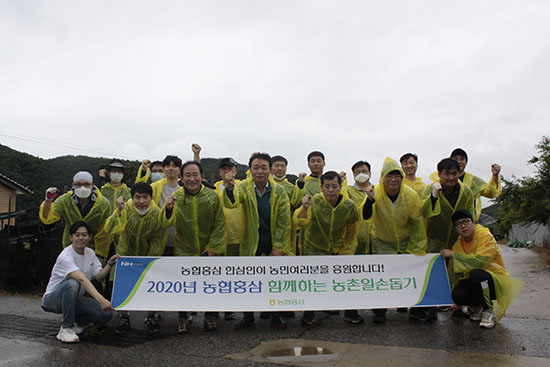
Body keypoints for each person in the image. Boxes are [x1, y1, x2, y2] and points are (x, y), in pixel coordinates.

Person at [223, 152, 292, 330]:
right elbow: (232, 203)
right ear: (250, 170)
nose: (260, 171)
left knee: (275, 280)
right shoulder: (244, 187)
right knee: (249, 279)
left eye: (264, 168)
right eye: (256, 168)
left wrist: (278, 247)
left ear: (270, 170)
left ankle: (276, 316)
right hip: (251, 239)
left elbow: (284, 221)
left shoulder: (279, 190)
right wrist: (229, 188)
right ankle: (248, 316)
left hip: (271, 239)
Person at [161, 161, 226, 334]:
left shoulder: (213, 196)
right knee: (184, 286)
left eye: (195, 174)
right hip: (184, 248)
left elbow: (220, 223)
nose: (192, 179)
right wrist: (167, 209)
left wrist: (213, 247)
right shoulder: (177, 197)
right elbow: (165, 222)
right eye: (187, 175)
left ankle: (210, 316)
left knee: (211, 285)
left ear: (202, 176)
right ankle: (183, 317)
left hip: (208, 249)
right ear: (181, 178)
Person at [361, 157, 427, 323]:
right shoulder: (375, 192)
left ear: (401, 178)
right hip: (382, 241)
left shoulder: (410, 196)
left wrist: (417, 248)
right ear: (383, 178)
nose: (393, 179)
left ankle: (416, 309)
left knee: (411, 275)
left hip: (406, 240)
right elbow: (365, 215)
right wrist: (369, 200)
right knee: (381, 277)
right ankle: (379, 312)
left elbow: (417, 223)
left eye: (396, 176)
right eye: (389, 176)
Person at [294, 171, 360, 325]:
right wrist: (304, 208)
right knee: (312, 282)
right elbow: (300, 223)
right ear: (321, 187)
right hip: (314, 247)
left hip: (337, 248)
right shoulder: (315, 201)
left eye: (334, 186)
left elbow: (352, 231)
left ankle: (351, 312)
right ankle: (308, 313)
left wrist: (347, 252)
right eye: (327, 186)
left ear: (340, 186)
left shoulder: (349, 205)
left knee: (344, 281)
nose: (331, 190)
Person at [440, 210, 523, 328]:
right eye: (458, 224)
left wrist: (454, 254)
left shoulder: (485, 236)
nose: (463, 226)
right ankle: (476, 306)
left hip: (494, 281)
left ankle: (488, 311)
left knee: (477, 274)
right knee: (458, 294)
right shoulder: (459, 243)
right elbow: (453, 271)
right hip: (476, 283)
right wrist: (454, 301)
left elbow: (479, 262)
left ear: (473, 222)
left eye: (466, 221)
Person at [104, 182, 166, 334]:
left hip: (147, 255)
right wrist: (118, 210)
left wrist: (150, 261)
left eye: (145, 197)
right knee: (123, 286)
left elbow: (159, 239)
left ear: (151, 198)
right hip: (126, 252)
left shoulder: (157, 214)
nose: (141, 201)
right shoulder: (126, 209)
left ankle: (151, 315)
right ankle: (124, 316)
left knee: (151, 286)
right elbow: (111, 228)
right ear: (132, 198)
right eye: (137, 197)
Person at [42, 221, 119, 343]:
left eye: (84, 235)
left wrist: (110, 264)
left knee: (106, 315)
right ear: (71, 237)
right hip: (53, 300)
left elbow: (98, 277)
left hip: (75, 299)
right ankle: (66, 328)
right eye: (77, 235)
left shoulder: (90, 253)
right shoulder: (65, 256)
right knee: (73, 283)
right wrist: (101, 299)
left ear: (89, 237)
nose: (80, 238)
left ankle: (77, 322)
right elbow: (81, 279)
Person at [40, 171, 112, 259]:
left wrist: (101, 254)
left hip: (93, 249)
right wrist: (48, 200)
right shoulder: (64, 200)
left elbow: (105, 231)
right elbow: (48, 219)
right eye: (78, 184)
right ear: (73, 186)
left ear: (92, 185)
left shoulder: (103, 204)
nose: (82, 187)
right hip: (70, 247)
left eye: (86, 184)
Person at [422, 158, 475, 253]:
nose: (451, 177)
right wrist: (433, 197)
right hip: (433, 244)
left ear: (459, 173)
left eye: (454, 173)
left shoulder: (466, 192)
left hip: (458, 243)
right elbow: (424, 212)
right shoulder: (430, 189)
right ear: (439, 174)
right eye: (446, 174)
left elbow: (471, 217)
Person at [346, 161, 373, 255]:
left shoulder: (378, 190)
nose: (361, 174)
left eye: (364, 171)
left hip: (377, 238)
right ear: (353, 175)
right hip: (356, 238)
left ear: (370, 173)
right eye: (357, 172)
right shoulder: (348, 191)